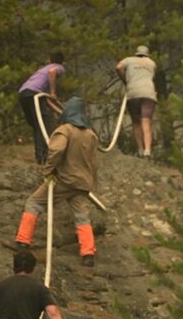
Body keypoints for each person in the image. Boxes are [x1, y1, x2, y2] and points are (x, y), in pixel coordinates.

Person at [14, 96, 99, 266]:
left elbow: (56, 150)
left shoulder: (65, 130)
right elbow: (94, 163)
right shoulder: (91, 135)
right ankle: (88, 253)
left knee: (34, 203)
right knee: (82, 216)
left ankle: (23, 241)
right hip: (82, 184)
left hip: (65, 180)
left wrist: (49, 171)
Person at [18, 52, 66, 164]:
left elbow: (46, 100)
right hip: (33, 95)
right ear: (62, 62)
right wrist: (53, 92)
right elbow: (52, 72)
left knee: (37, 125)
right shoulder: (59, 67)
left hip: (24, 94)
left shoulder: (42, 72)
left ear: (49, 60)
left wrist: (61, 112)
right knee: (43, 125)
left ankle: (40, 157)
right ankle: (43, 158)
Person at [115, 45, 157, 158]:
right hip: (148, 92)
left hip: (133, 92)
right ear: (147, 54)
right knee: (146, 121)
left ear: (136, 53)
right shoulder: (152, 63)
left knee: (136, 122)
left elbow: (118, 67)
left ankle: (140, 149)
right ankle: (148, 150)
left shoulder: (129, 60)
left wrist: (125, 79)